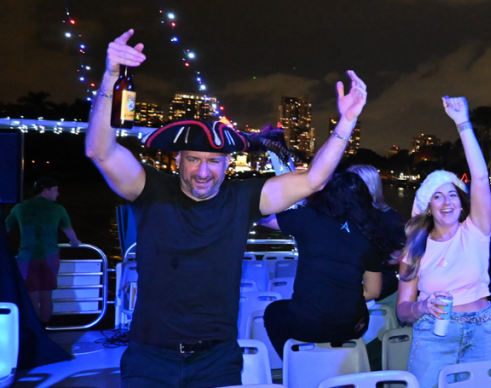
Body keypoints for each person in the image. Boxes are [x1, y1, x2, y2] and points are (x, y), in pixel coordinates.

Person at [86, 29, 367, 388]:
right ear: (178, 161)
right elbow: (100, 151)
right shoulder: (150, 189)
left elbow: (313, 180)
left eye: (214, 161)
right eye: (194, 159)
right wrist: (111, 76)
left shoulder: (242, 198)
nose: (204, 172)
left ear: (227, 165)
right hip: (149, 356)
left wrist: (347, 121)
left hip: (217, 358)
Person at [396, 96, 491, 388]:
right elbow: (403, 309)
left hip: (482, 329)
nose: (447, 201)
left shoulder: (477, 230)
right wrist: (423, 307)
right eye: (437, 196)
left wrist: (463, 122)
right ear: (429, 206)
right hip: (433, 333)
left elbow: (480, 177)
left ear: (461, 203)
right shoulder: (415, 247)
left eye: (452, 194)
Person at [258, 171, 395, 357]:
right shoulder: (369, 232)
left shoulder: (308, 218)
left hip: (309, 325)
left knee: (273, 312)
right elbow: (373, 291)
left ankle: (295, 362)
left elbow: (262, 216)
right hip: (353, 326)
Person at [5, 177, 81, 327]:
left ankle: (34, 329)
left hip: (26, 258)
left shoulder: (19, 208)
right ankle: (44, 328)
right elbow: (69, 232)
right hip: (50, 257)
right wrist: (75, 243)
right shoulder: (58, 209)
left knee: (31, 295)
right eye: (55, 190)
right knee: (46, 295)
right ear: (46, 190)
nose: (58, 194)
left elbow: (5, 230)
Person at [347, 164, 406, 300]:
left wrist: (383, 260)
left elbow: (404, 251)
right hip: (353, 279)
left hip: (380, 284)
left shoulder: (390, 218)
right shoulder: (346, 213)